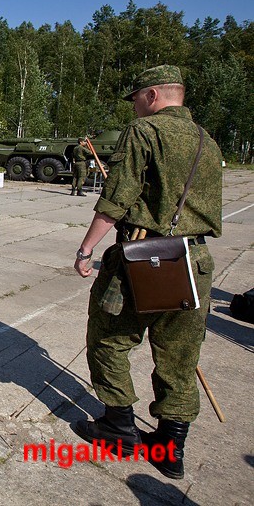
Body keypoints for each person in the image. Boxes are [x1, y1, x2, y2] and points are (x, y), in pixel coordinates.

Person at [72, 65, 222, 480]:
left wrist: (87, 250)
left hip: (143, 257)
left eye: (137, 98)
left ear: (153, 95)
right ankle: (171, 446)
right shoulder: (205, 141)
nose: (135, 107)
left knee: (107, 337)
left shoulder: (144, 132)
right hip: (192, 261)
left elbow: (117, 198)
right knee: (179, 354)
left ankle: (118, 426)